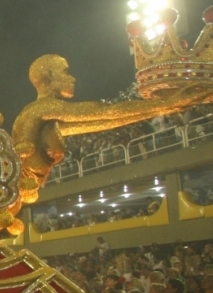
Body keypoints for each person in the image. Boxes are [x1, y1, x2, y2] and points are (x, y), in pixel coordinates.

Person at [11, 54, 211, 201]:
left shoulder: (49, 121)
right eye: (66, 72)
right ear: (48, 79)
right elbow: (106, 110)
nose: (73, 78)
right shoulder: (40, 109)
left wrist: (169, 106)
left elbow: (107, 121)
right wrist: (168, 103)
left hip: (17, 197)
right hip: (10, 199)